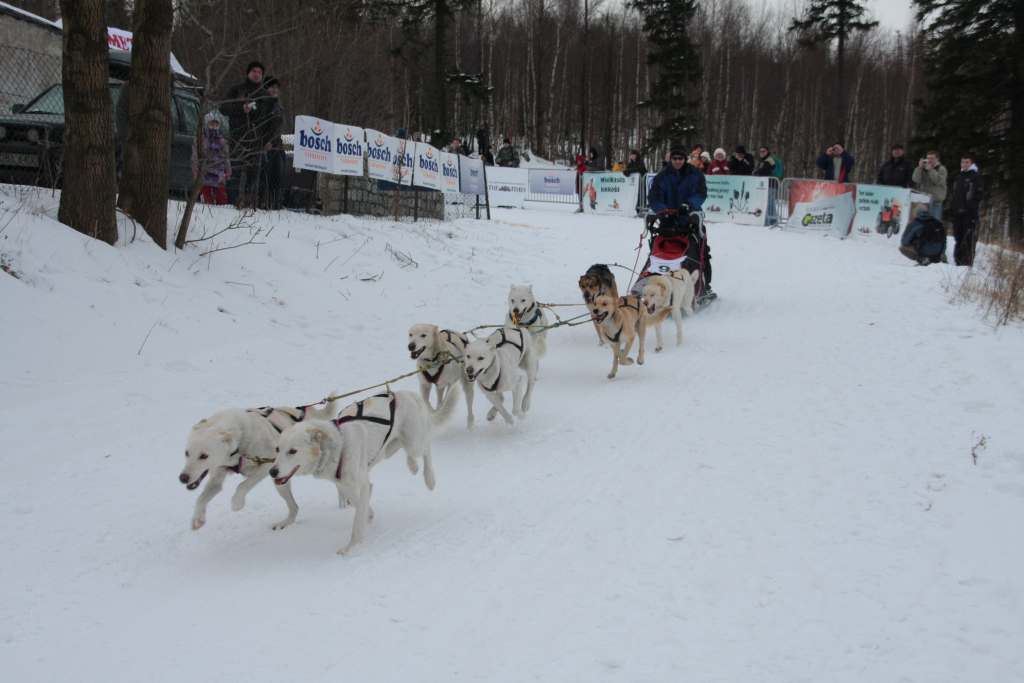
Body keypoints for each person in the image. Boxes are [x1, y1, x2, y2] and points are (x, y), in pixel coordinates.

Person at [647, 145, 712, 297]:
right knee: (659, 251)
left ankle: (704, 285)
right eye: (674, 158)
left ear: (685, 159)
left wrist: (689, 205)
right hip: (667, 221)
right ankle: (655, 283)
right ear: (671, 159)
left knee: (700, 251)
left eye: (680, 158)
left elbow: (701, 193)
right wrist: (662, 210)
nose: (677, 161)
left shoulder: (695, 174)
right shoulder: (662, 176)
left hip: (690, 220)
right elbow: (654, 197)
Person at [219, 60, 267, 208]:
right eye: (254, 71)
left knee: (254, 174)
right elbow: (224, 108)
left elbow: (269, 117)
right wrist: (241, 108)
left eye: (259, 72)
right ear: (248, 73)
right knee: (235, 171)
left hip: (257, 139)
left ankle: (250, 204)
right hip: (238, 136)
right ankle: (231, 202)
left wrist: (267, 138)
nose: (257, 74)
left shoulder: (265, 94)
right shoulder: (237, 90)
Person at [256, 76, 285, 209]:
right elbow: (259, 125)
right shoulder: (262, 104)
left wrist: (273, 142)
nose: (274, 90)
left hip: (276, 145)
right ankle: (262, 202)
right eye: (271, 88)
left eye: (276, 88)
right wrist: (264, 141)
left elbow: (278, 128)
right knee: (264, 176)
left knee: (277, 176)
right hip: (263, 144)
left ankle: (275, 204)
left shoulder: (278, 106)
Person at [950, 153, 983, 266]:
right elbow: (954, 194)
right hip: (957, 213)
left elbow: (978, 195)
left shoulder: (976, 176)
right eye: (962, 162)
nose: (964, 164)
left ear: (972, 163)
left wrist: (970, 208)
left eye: (967, 162)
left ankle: (967, 262)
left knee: (968, 238)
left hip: (969, 214)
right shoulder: (959, 176)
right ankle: (958, 261)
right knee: (958, 237)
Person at [194, 112, 230, 205]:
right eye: (211, 124)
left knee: (222, 199)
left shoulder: (222, 141)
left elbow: (226, 158)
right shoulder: (201, 140)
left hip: (219, 174)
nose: (213, 127)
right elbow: (195, 156)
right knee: (206, 198)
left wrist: (228, 170)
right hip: (205, 173)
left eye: (216, 125)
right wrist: (196, 170)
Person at [912, 150, 948, 220]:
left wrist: (930, 170)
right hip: (924, 201)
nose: (929, 160)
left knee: (934, 222)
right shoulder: (923, 168)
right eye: (928, 158)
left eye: (932, 158)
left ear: (937, 159)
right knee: (922, 222)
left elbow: (938, 181)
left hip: (935, 201)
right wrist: (919, 168)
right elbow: (915, 179)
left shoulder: (942, 169)